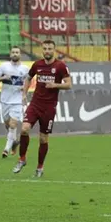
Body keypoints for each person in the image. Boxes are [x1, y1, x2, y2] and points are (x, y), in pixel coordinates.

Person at [13, 40, 72, 177]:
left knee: (43, 139)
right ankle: (22, 159)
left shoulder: (60, 66)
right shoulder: (37, 64)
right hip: (35, 104)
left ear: (54, 50)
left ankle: (40, 168)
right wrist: (24, 94)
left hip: (49, 108)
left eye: (49, 49)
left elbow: (69, 84)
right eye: (45, 48)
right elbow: (28, 78)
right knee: (24, 129)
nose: (47, 51)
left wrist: (55, 85)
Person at [0, 46, 29, 159]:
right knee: (8, 125)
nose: (15, 54)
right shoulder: (4, 66)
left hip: (17, 101)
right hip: (5, 100)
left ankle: (6, 149)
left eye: (17, 52)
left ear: (20, 54)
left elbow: (28, 81)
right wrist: (3, 77)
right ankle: (14, 143)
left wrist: (24, 92)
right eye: (13, 52)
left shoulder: (25, 69)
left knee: (13, 124)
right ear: (10, 54)